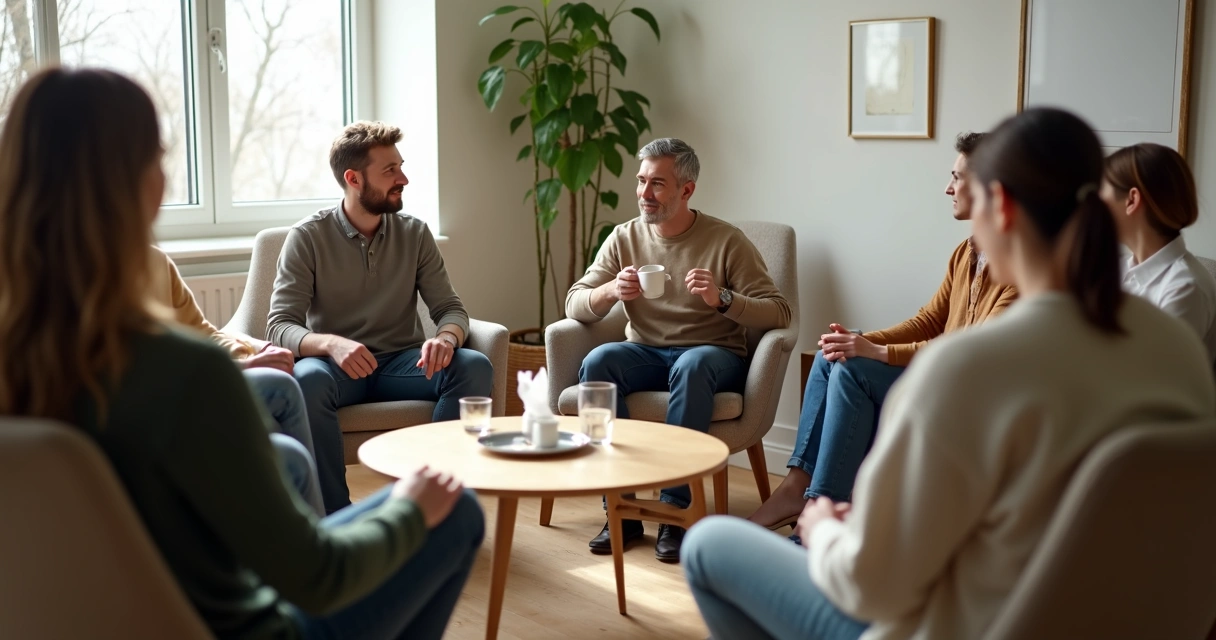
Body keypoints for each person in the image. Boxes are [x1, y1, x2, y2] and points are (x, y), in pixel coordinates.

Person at [680, 107, 1216, 640]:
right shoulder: (1174, 348)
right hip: (1116, 621)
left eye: (965, 187)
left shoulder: (965, 370)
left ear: (1000, 205)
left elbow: (871, 588)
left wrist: (825, 534)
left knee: (709, 547)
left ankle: (807, 508)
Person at [0, 67, 484, 640]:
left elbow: (450, 307)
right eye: (158, 154)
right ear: (143, 184)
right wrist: (409, 505)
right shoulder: (185, 372)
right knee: (456, 516)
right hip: (245, 629)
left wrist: (447, 336)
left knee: (289, 457)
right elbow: (320, 578)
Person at [748, 132, 1019, 531]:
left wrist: (876, 354)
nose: (948, 188)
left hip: (964, 389)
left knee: (856, 368)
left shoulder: (1016, 265)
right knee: (832, 355)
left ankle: (825, 513)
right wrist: (862, 341)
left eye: (957, 178)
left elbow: (969, 351)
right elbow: (928, 320)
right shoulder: (966, 253)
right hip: (936, 373)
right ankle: (796, 488)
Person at [566, 138, 792, 562]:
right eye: (641, 181)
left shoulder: (727, 240)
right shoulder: (624, 237)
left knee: (692, 364)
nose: (644, 194)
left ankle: (675, 510)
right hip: (646, 352)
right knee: (598, 362)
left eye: (657, 184)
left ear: (686, 190)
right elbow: (574, 301)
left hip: (712, 354)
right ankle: (621, 508)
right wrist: (611, 290)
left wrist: (723, 299)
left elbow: (779, 313)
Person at [268, 121, 494, 513]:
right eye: (389, 171)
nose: (402, 178)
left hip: (402, 364)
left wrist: (445, 339)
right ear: (353, 179)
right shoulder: (307, 237)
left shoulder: (415, 233)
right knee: (306, 380)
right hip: (337, 370)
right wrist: (330, 344)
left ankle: (434, 504)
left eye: (400, 167)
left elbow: (450, 309)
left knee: (472, 365)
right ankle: (334, 518)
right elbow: (279, 324)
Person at [148, 246, 324, 515]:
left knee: (283, 401)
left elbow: (204, 332)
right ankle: (315, 535)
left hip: (188, 389)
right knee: (282, 393)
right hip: (161, 404)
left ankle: (307, 528)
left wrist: (256, 348)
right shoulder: (85, 274)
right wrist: (242, 365)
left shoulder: (155, 260)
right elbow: (144, 369)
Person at [1101, 142, 1216, 362]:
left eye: (1100, 192)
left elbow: (1145, 377)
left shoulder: (1185, 288)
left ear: (1131, 200)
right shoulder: (1119, 269)